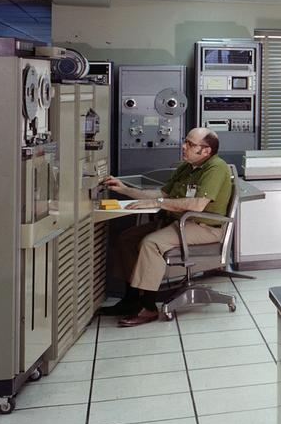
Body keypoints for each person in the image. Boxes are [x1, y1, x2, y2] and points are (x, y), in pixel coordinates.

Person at [99, 128, 234, 327]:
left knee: (151, 243)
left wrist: (159, 203)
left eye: (190, 144)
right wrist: (124, 189)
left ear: (206, 151)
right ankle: (131, 299)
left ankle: (148, 307)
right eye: (185, 141)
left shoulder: (216, 167)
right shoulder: (187, 167)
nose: (184, 146)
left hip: (204, 227)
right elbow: (160, 195)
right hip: (180, 223)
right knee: (127, 238)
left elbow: (196, 205)